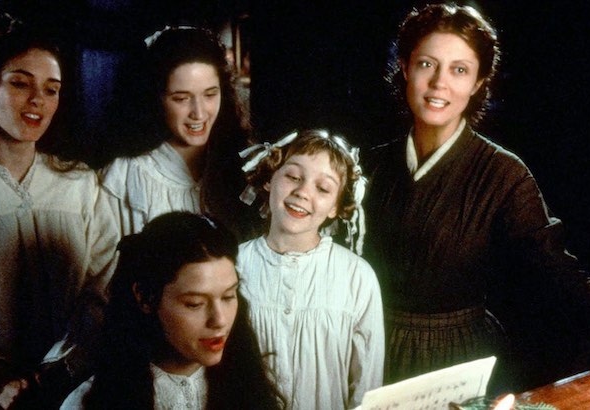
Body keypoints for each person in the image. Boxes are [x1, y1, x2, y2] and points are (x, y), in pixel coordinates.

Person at [363, 2, 590, 392]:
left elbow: (560, 270)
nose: (440, 83)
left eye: (460, 70)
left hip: (457, 360)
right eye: (427, 64)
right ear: (406, 68)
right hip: (366, 346)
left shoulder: (502, 173)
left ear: (478, 83)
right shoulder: (368, 165)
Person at [0, 24, 119, 409]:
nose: (37, 100)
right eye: (20, 84)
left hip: (72, 391)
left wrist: (63, 367)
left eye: (51, 89)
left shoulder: (80, 186)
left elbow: (104, 289)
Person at [60, 211, 285, 409]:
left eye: (228, 297)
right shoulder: (90, 401)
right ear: (145, 298)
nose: (219, 320)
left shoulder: (249, 385)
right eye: (195, 303)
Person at [236, 129, 384, 409]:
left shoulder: (357, 277)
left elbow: (367, 385)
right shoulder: (235, 265)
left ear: (335, 207)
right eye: (293, 177)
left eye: (323, 188)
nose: (303, 192)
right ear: (269, 180)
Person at [98, 26, 258, 240]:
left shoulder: (242, 165)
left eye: (210, 95)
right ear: (156, 99)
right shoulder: (125, 176)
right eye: (181, 99)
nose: (199, 113)